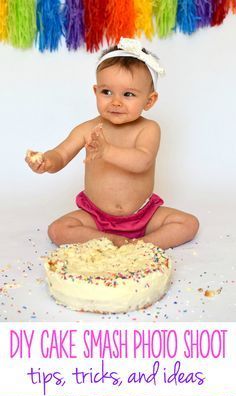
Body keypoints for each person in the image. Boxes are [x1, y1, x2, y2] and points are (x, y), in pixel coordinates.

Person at [25, 37, 199, 249]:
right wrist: (46, 162)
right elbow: (61, 155)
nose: (116, 101)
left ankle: (141, 245)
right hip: (95, 217)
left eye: (128, 94)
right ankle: (107, 240)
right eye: (107, 92)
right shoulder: (87, 129)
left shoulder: (148, 129)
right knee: (57, 230)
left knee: (188, 224)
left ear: (149, 100)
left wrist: (106, 151)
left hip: (143, 215)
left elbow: (142, 161)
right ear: (95, 91)